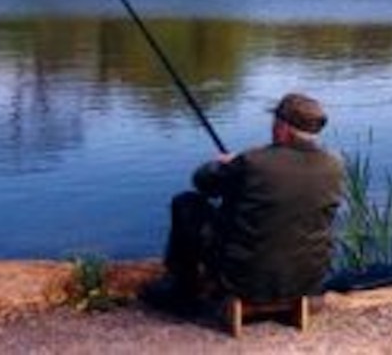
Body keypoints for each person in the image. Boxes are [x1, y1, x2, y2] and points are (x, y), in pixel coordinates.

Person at [146, 92, 345, 314]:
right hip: (308, 283)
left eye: (275, 121)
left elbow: (202, 182)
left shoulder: (252, 161)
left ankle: (182, 290)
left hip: (244, 282)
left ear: (283, 127)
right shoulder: (335, 165)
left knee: (186, 203)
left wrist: (222, 165)